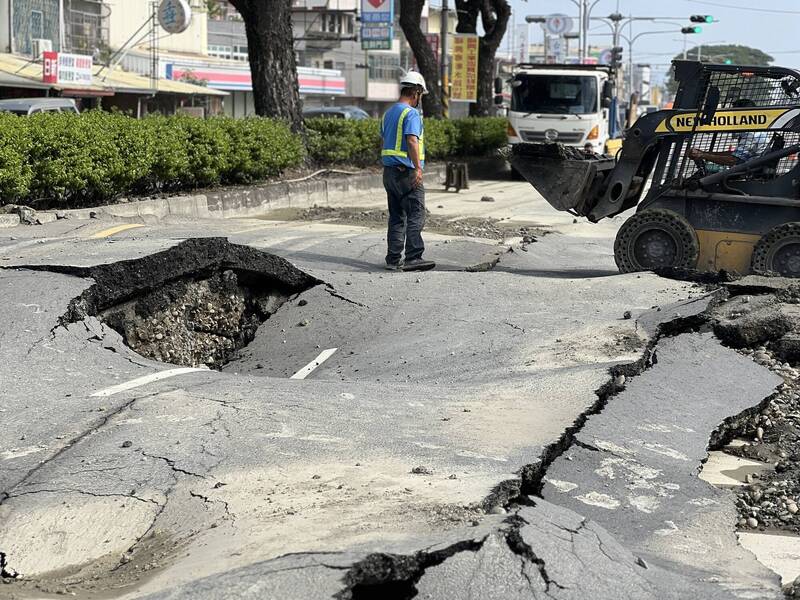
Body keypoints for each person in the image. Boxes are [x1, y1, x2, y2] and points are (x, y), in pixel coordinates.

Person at [380, 71, 435, 271]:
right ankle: (413, 257)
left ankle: (393, 259)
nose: (420, 99)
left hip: (389, 172)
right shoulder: (410, 113)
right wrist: (417, 168)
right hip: (406, 172)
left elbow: (384, 140)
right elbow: (412, 140)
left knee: (396, 216)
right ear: (416, 92)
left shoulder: (388, 113)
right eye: (421, 94)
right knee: (416, 213)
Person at [687, 98, 770, 173]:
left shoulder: (752, 134)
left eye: (735, 115)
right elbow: (734, 154)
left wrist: (703, 155)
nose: (733, 119)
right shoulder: (755, 130)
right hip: (748, 167)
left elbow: (732, 160)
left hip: (747, 172)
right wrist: (704, 153)